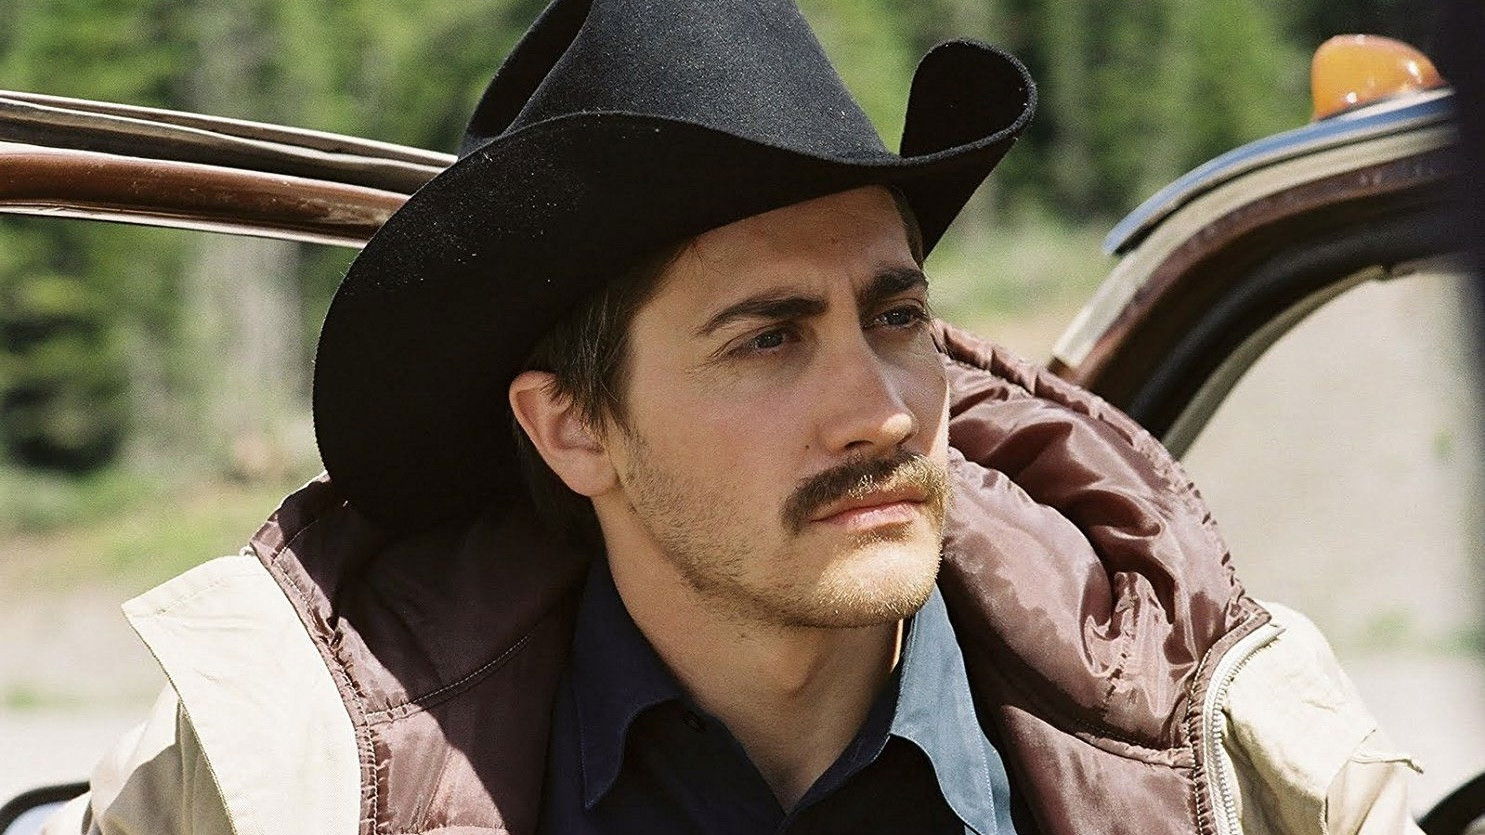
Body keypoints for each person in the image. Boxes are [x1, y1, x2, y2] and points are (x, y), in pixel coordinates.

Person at [46, 0, 1422, 833]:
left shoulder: (1220, 751)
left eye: (896, 316)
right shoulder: (288, 774)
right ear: (571, 429)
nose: (880, 410)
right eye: (768, 339)